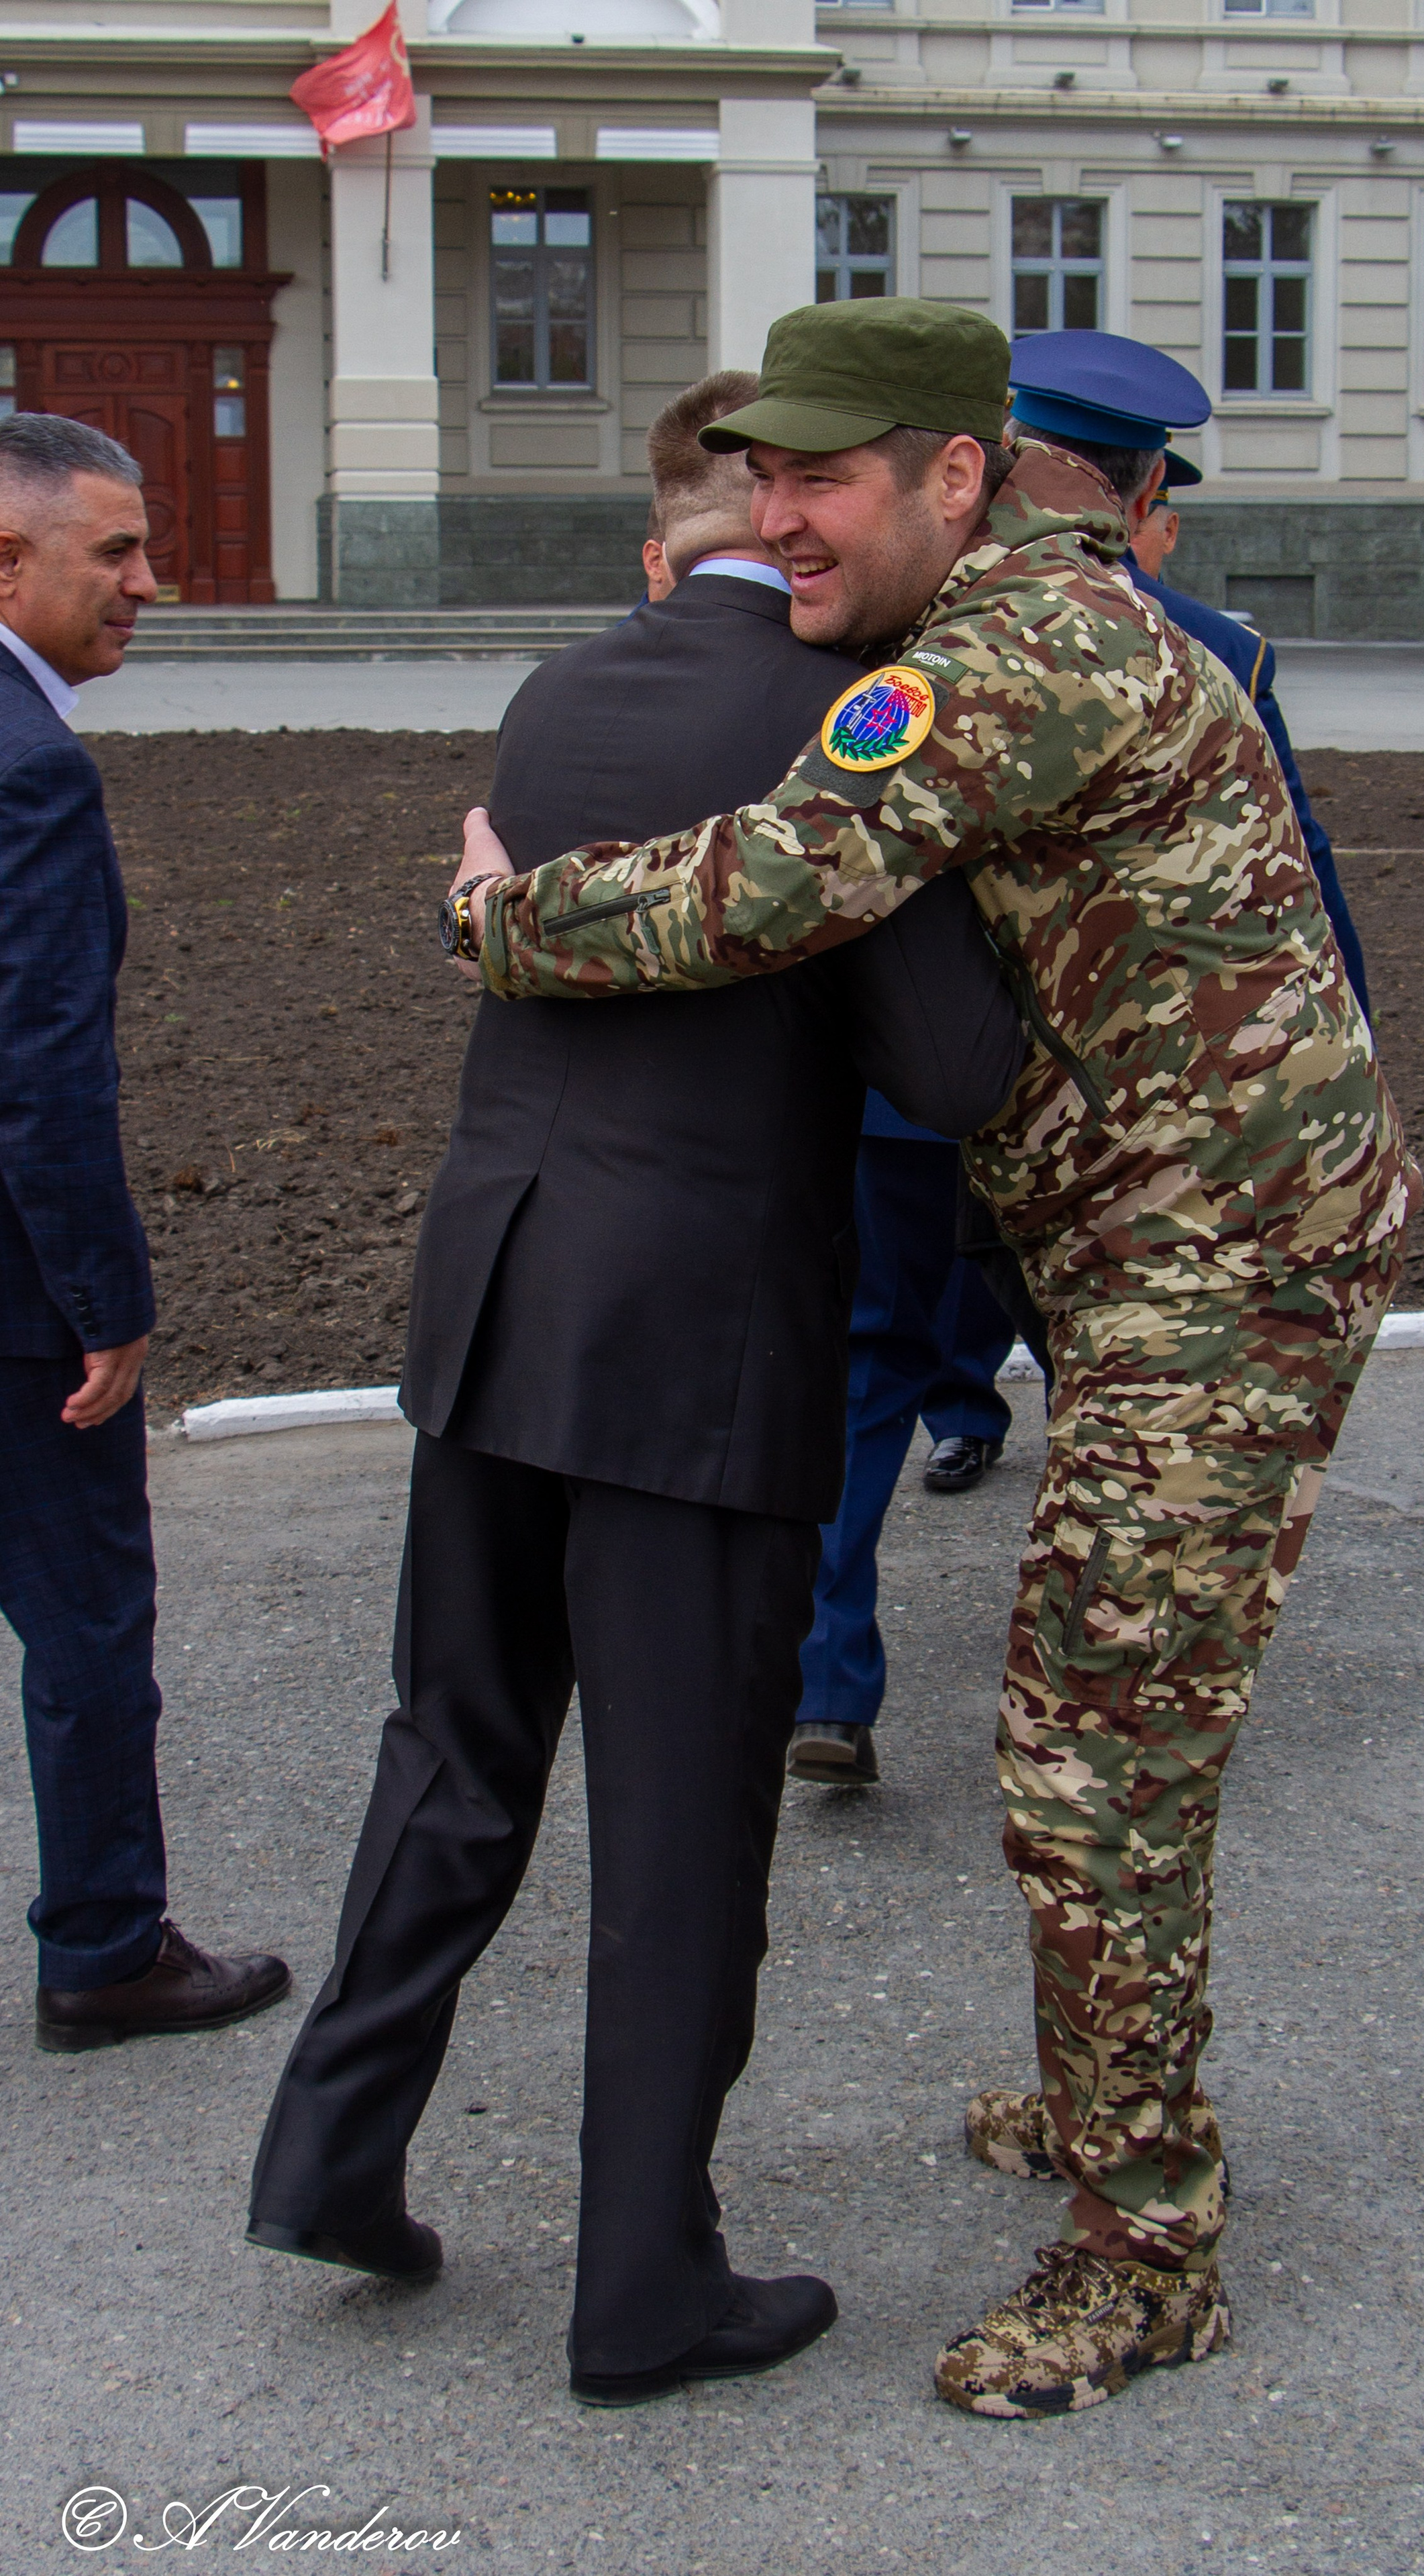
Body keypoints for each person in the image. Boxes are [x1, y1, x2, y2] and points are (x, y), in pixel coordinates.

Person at [451, 294, 1416, 2420]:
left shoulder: (1006, 657)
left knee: (1098, 1747)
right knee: (1100, 1726)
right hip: (1167, 1228)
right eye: (761, 471)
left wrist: (504, 916)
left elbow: (778, 884)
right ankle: (1111, 2107)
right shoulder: (1013, 616)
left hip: (1222, 1257)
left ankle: (1143, 2248)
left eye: (817, 479)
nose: (771, 515)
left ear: (951, 481)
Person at [246, 371, 1024, 2410]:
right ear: (788, 529)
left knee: (454, 1746)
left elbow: (511, 924)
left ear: (657, 535)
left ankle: (333, 2143)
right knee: (680, 1825)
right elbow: (950, 1074)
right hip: (699, 1342)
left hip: (497, 1299)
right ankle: (643, 2284)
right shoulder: (848, 726)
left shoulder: (559, 693)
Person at [0, 412, 290, 2052]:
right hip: (19, 1304)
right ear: (7, 560)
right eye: (112, 551)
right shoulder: (32, 768)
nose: (149, 582)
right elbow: (41, 1076)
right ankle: (106, 1943)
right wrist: (107, 1302)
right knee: (91, 1623)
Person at [1008, 330, 1370, 1021]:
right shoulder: (1222, 647)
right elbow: (1294, 856)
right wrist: (1353, 1015)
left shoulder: (915, 608)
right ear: (1145, 496)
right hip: (1146, 1042)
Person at [786, 1107, 1015, 1790]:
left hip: (910, 1076)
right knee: (1107, 1357)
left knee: (873, 1355)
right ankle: (1121, 1671)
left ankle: (828, 1686)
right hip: (1088, 1076)